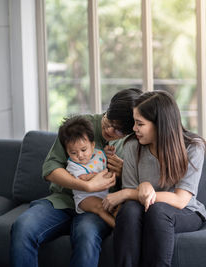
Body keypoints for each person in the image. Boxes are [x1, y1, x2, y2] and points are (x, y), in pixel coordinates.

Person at [10, 88, 142, 267]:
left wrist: (123, 173)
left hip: (97, 206)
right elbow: (50, 168)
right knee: (23, 227)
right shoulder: (79, 126)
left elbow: (136, 187)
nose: (110, 129)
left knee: (86, 236)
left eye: (119, 130)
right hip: (62, 201)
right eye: (109, 120)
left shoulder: (134, 142)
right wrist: (84, 186)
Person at [102, 90, 206, 267]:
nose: (134, 128)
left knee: (157, 211)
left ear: (160, 124)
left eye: (140, 124)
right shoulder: (132, 145)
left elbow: (181, 200)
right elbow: (131, 201)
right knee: (129, 211)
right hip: (142, 209)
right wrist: (138, 189)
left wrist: (130, 192)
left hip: (183, 211)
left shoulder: (193, 147)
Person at [58, 115, 116, 228]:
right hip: (85, 198)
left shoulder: (98, 154)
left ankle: (129, 228)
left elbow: (104, 161)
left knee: (116, 207)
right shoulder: (72, 165)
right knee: (101, 208)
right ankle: (118, 227)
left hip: (104, 194)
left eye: (83, 150)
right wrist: (100, 175)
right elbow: (83, 178)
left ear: (93, 145)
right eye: (73, 153)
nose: (80, 155)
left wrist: (108, 153)